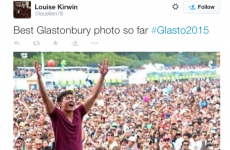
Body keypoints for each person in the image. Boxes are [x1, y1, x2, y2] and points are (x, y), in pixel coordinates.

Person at [34, 60, 109, 150]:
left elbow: (93, 96)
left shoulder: (79, 112)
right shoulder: (56, 115)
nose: (71, 100)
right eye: (68, 98)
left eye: (72, 98)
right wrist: (39, 78)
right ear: (60, 103)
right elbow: (45, 99)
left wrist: (102, 76)